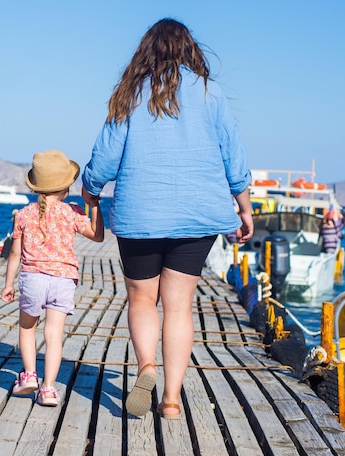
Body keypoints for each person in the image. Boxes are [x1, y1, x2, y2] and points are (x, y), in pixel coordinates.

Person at [81, 18, 253, 419]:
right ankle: (172, 400)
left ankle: (146, 368)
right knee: (178, 306)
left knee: (142, 300)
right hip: (198, 216)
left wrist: (90, 188)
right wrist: (243, 207)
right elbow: (234, 156)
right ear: (190, 50)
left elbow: (104, 158)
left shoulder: (129, 94)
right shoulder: (211, 93)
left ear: (146, 51)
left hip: (140, 214)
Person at [2, 150, 105, 406]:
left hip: (32, 279)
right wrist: (94, 205)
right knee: (54, 335)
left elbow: (15, 254)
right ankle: (48, 389)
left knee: (27, 328)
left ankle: (29, 376)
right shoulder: (72, 211)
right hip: (63, 280)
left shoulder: (25, 214)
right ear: (67, 186)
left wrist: (8, 285)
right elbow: (97, 235)